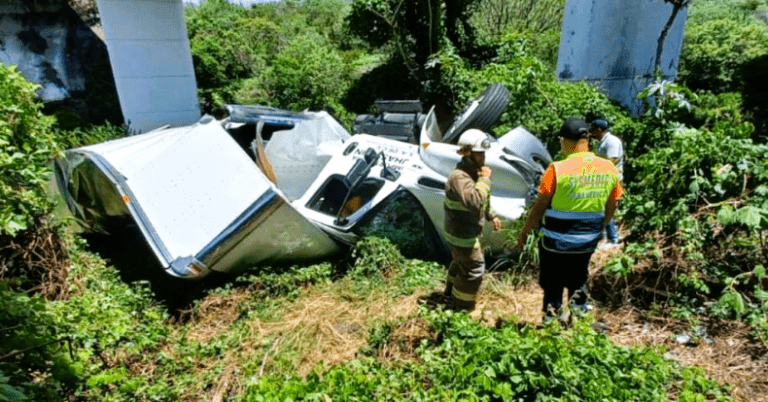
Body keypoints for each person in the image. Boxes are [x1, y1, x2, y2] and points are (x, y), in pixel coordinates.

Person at [517, 118, 623, 321]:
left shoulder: (557, 169)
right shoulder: (609, 168)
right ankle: (579, 320)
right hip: (588, 240)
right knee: (579, 277)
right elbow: (613, 204)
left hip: (556, 241)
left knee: (553, 281)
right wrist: (599, 226)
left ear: (564, 141)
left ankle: (552, 322)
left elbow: (539, 206)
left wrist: (525, 231)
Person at [443, 129, 502, 312]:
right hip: (460, 233)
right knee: (474, 268)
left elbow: (482, 199)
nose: (483, 158)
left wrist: (491, 214)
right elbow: (474, 200)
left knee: (460, 263)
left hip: (463, 231)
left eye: (483, 154)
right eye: (479, 154)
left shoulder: (472, 173)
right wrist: (485, 179)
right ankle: (462, 308)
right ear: (466, 153)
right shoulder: (459, 176)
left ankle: (449, 295)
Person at [590, 118, 624, 245]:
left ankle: (613, 239)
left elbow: (612, 161)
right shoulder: (602, 142)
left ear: (599, 130)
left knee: (608, 208)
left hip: (611, 180)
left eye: (593, 130)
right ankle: (605, 237)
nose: (591, 133)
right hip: (603, 179)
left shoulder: (611, 141)